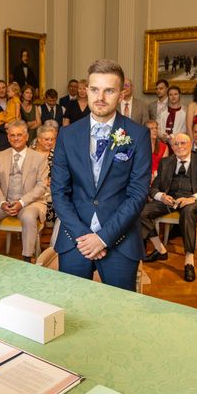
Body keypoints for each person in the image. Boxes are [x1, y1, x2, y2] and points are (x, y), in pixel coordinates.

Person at [51, 59, 151, 291]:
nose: (100, 97)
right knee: (72, 310)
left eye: (109, 90)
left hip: (120, 239)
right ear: (86, 90)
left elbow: (137, 194)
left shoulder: (138, 135)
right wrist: (84, 236)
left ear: (122, 93)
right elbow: (59, 192)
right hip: (75, 238)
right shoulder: (67, 134)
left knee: (118, 315)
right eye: (95, 89)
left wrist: (103, 238)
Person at [141, 134, 197, 282]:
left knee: (188, 212)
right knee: (141, 211)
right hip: (171, 200)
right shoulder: (166, 162)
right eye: (176, 144)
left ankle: (189, 260)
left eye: (183, 143)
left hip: (194, 200)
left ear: (190, 144)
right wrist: (162, 196)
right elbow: (154, 188)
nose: (179, 146)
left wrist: (192, 198)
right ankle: (160, 249)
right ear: (172, 147)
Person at [0, 120, 48, 262]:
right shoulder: (0, 155)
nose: (16, 138)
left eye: (19, 135)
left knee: (28, 217)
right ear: (8, 137)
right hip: (5, 201)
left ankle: (27, 257)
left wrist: (21, 203)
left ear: (27, 136)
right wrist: (2, 202)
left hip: (30, 203)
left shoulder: (39, 158)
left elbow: (41, 187)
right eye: (12, 135)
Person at [33, 121, 58, 227]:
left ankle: (53, 230)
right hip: (34, 188)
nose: (50, 142)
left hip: (53, 187)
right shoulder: (31, 154)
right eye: (46, 139)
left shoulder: (57, 153)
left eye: (52, 139)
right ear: (39, 139)